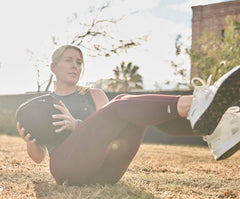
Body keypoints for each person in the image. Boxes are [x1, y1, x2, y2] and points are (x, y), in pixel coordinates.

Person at [17, 45, 240, 186]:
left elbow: (110, 130)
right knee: (121, 103)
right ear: (53, 67)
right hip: (68, 170)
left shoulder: (94, 94)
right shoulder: (42, 105)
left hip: (107, 173)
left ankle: (217, 128)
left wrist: (77, 124)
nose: (75, 66)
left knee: (125, 108)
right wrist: (30, 142)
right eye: (69, 60)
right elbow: (39, 157)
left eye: (79, 62)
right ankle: (197, 108)